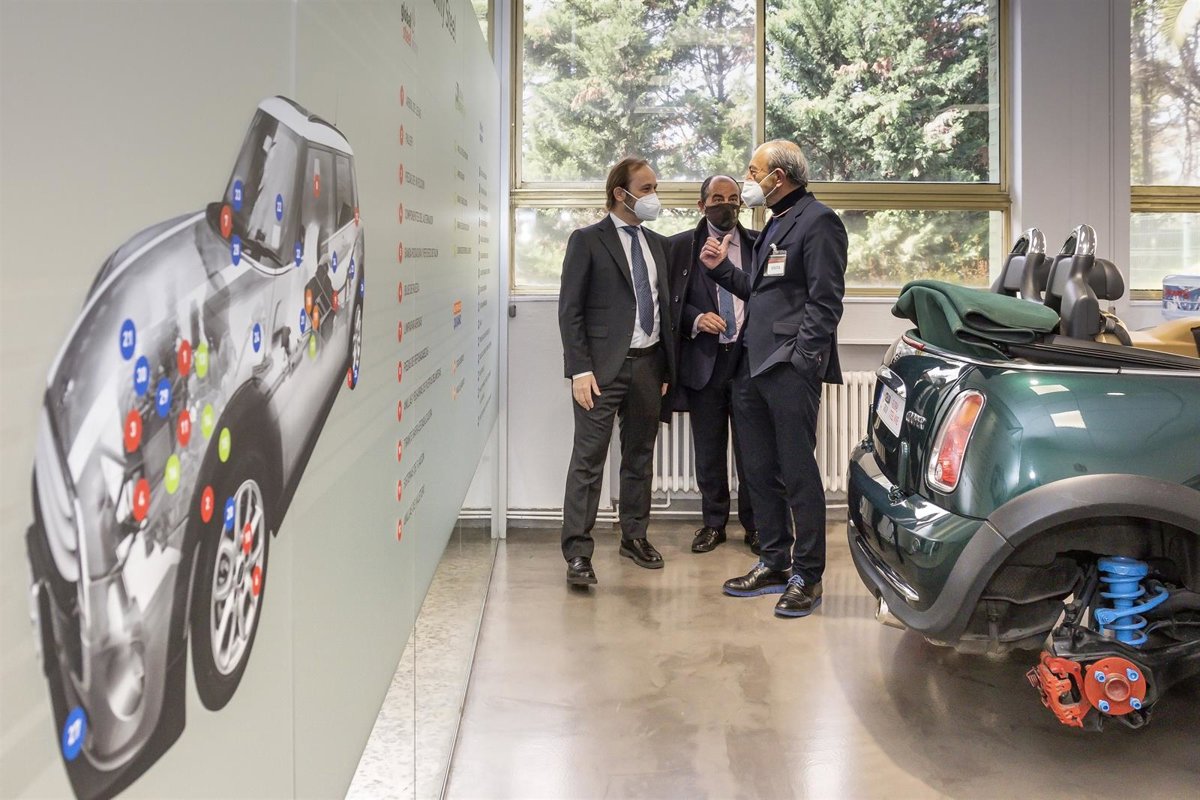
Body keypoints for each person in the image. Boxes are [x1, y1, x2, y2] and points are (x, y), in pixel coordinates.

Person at [699, 140, 847, 618]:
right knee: (760, 472)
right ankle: (774, 561)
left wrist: (803, 359)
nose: (748, 180)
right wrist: (721, 270)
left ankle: (807, 575)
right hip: (751, 366)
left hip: (787, 368)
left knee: (797, 474)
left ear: (777, 177)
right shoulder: (776, 222)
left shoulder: (819, 221)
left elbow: (826, 301)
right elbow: (760, 291)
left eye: (752, 171)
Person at [558, 157, 677, 587]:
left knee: (640, 457)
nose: (653, 196)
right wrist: (579, 370)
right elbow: (570, 311)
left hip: (649, 366)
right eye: (646, 189)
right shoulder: (587, 240)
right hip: (599, 372)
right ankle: (578, 553)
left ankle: (634, 537)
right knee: (588, 461)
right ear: (620, 194)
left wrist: (665, 367)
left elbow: (663, 309)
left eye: (654, 188)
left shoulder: (658, 245)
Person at [668, 176, 758, 555]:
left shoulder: (759, 244)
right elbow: (669, 300)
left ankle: (756, 526)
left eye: (734, 199)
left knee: (753, 451)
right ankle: (713, 524)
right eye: (718, 199)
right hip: (705, 361)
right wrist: (695, 318)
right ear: (701, 204)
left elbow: (767, 296)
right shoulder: (680, 247)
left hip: (748, 361)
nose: (727, 205)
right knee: (708, 450)